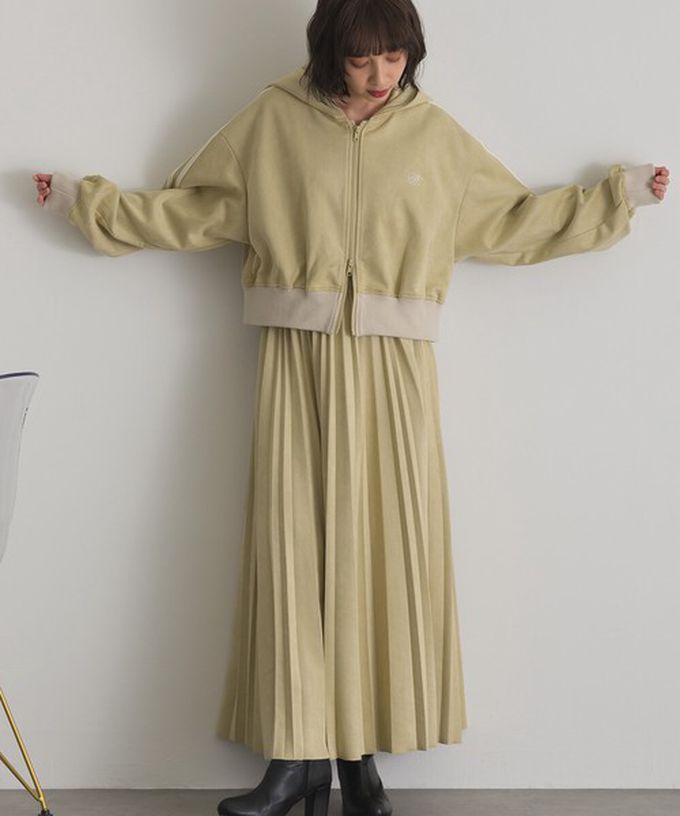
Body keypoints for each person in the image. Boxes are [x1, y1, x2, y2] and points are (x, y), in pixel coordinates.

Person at [32, 1, 670, 815]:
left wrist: (618, 196)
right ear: (329, 51)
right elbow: (192, 208)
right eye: (363, 59)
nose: (379, 77)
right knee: (293, 554)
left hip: (396, 367)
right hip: (296, 358)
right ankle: (294, 761)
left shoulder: (434, 136)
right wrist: (83, 202)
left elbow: (512, 220)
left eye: (395, 58)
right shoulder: (272, 121)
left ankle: (360, 758)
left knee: (383, 557)